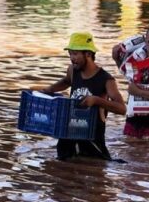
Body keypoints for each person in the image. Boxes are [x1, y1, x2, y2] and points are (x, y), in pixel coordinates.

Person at [38, 32, 126, 161]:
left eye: (75, 54)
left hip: (92, 140)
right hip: (68, 135)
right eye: (70, 54)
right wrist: (49, 89)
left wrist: (96, 100)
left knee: (96, 170)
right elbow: (66, 81)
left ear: (88, 54)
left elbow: (122, 109)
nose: (72, 58)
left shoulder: (106, 79)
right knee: (61, 172)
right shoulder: (73, 70)